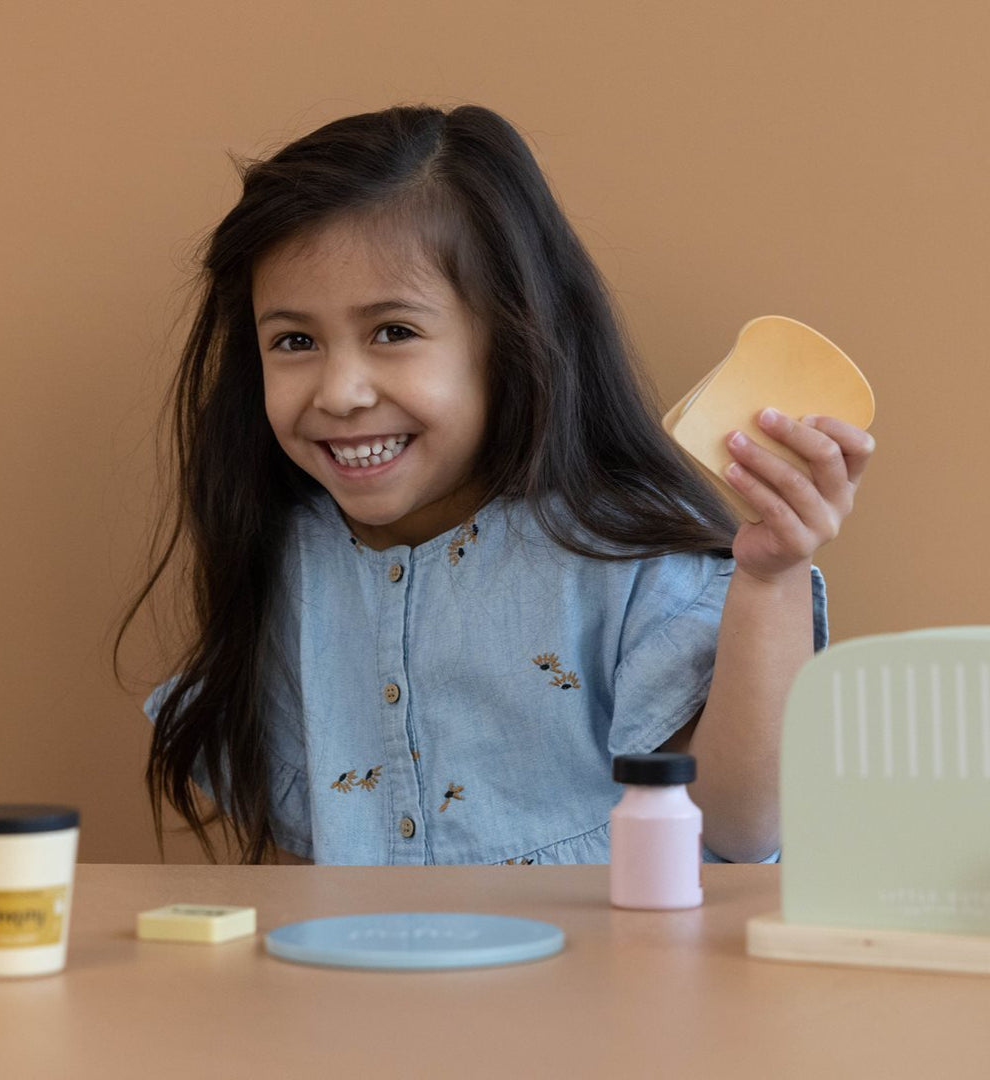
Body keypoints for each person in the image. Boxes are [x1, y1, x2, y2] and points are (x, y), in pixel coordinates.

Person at [120, 103, 874, 867]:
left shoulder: (618, 550)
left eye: (394, 332)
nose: (340, 391)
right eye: (295, 341)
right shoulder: (293, 559)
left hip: (610, 985)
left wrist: (770, 576)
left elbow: (743, 830)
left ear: (509, 340)